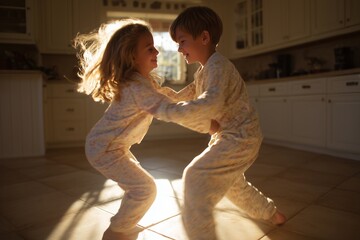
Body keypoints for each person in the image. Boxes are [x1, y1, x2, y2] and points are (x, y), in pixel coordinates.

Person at [150, 6, 287, 240]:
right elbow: (192, 91)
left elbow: (210, 103)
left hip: (241, 137)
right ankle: (272, 214)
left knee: (195, 176)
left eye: (182, 41)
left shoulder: (219, 66)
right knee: (234, 186)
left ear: (204, 37)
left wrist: (171, 111)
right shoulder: (204, 70)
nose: (179, 48)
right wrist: (165, 96)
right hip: (231, 136)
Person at [73, 18, 208, 240]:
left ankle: (125, 225)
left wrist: (198, 85)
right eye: (149, 48)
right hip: (104, 149)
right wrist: (207, 124)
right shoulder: (137, 87)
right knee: (145, 189)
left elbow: (171, 99)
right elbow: (168, 111)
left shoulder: (145, 83)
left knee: (137, 187)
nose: (157, 50)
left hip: (113, 147)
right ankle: (116, 232)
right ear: (131, 56)